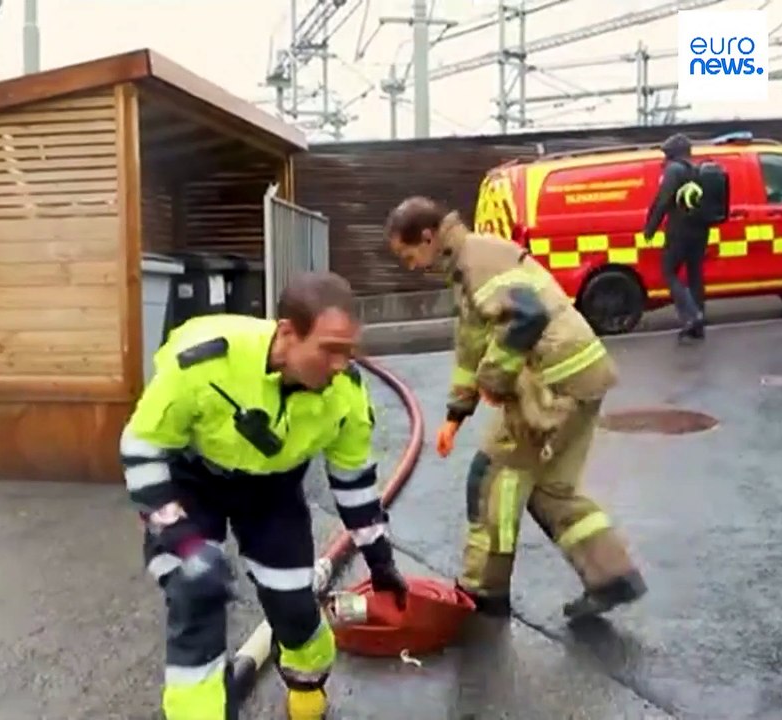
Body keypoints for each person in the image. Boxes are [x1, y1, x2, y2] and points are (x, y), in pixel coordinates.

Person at [120, 271, 408, 720]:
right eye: (329, 349)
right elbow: (141, 448)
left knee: (293, 608)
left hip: (273, 492)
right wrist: (185, 542)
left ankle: (308, 693)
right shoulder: (206, 361)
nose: (340, 365)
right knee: (197, 597)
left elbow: (354, 484)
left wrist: (381, 562)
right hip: (193, 484)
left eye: (349, 351)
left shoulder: (345, 395)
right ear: (288, 333)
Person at [384, 196, 648, 621]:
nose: (410, 264)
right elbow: (472, 345)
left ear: (428, 237)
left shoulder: (477, 261)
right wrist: (456, 413)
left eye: (408, 254)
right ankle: (611, 576)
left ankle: (483, 592)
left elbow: (526, 317)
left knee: (492, 479)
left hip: (552, 386)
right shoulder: (470, 264)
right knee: (551, 491)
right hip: (582, 379)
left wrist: (494, 380)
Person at [643, 133, 709, 341]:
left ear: (673, 153)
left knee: (669, 272)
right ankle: (698, 322)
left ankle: (692, 315)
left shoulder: (674, 170)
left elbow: (663, 201)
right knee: (695, 274)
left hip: (679, 231)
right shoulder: (700, 170)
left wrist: (650, 228)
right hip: (700, 230)